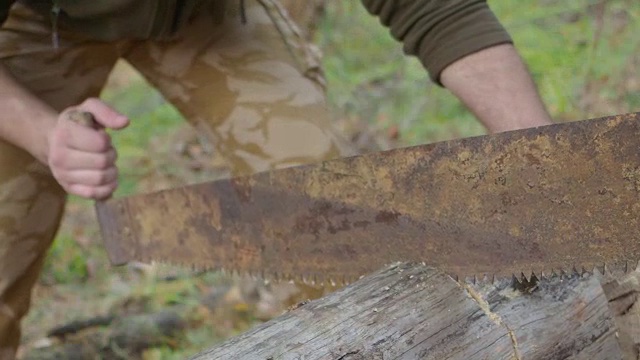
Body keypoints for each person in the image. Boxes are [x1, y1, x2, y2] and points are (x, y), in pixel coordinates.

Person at [0, 0, 553, 357]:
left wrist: (548, 157)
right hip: (33, 23)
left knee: (319, 209)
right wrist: (44, 133)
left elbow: (433, 8)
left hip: (208, 14)